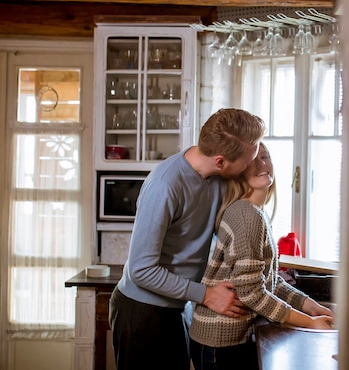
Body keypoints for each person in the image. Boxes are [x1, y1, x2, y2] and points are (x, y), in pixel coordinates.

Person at [109, 108, 266, 370]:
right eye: (250, 159)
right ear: (220, 160)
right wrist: (205, 295)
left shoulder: (217, 178)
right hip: (142, 313)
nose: (253, 164)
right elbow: (141, 270)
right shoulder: (165, 185)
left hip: (177, 308)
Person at [189, 143, 335, 370]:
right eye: (251, 161)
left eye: (265, 157)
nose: (261, 164)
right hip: (220, 341)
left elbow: (269, 281)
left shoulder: (257, 213)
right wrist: (310, 322)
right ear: (238, 171)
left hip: (229, 337)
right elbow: (253, 295)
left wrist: (310, 306)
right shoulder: (247, 216)